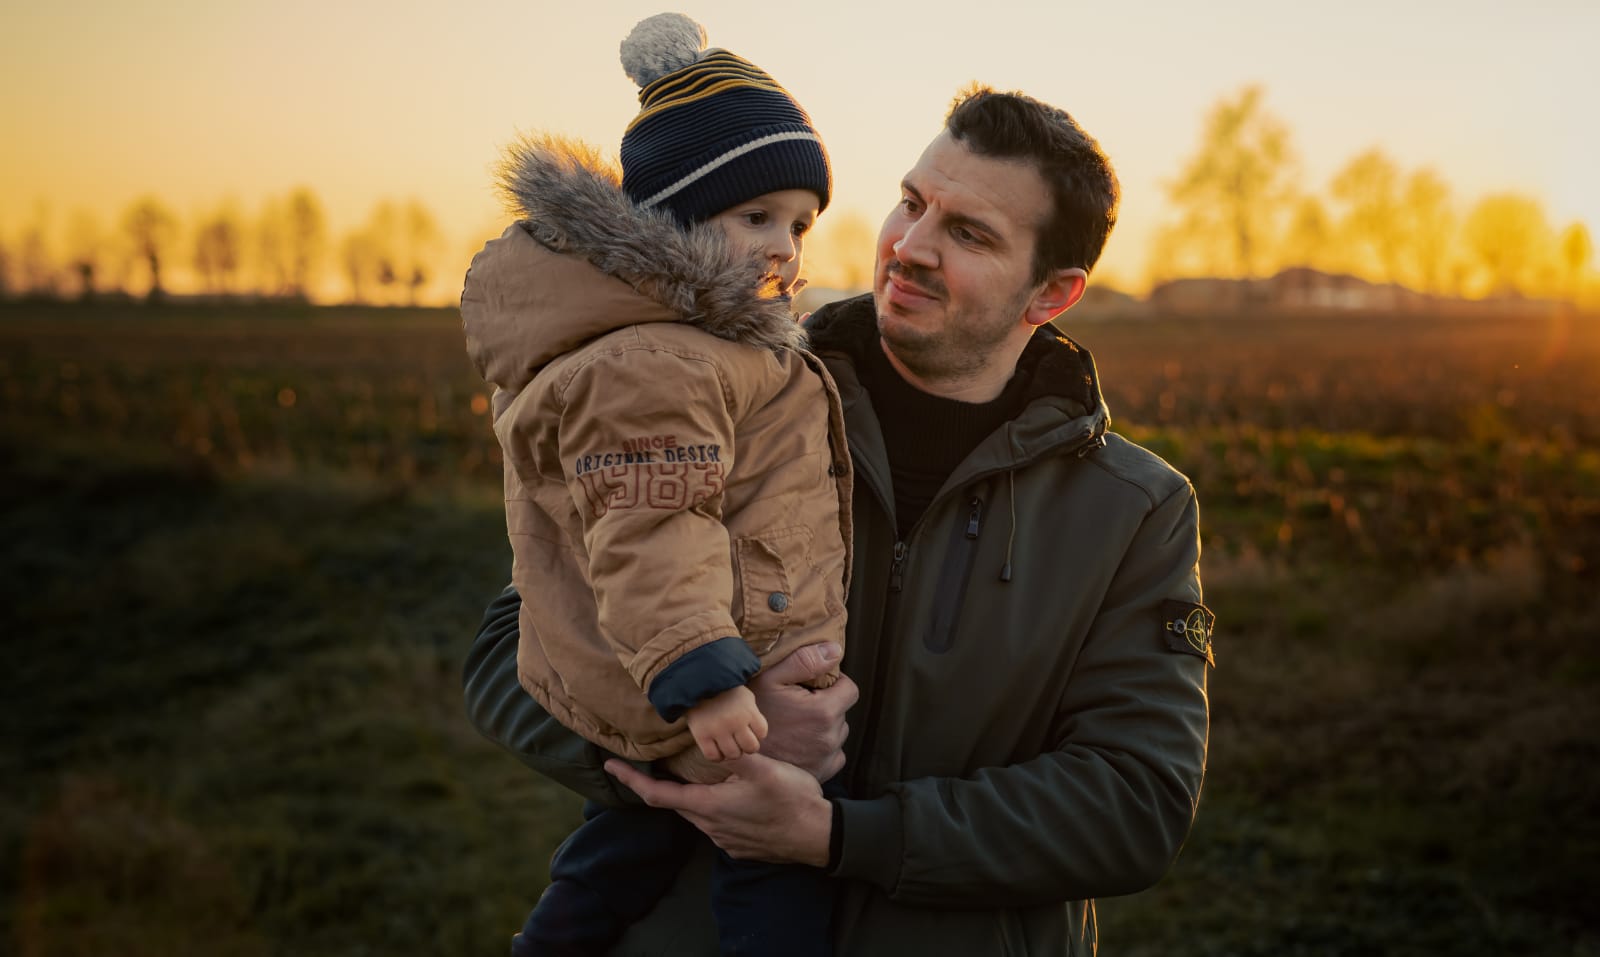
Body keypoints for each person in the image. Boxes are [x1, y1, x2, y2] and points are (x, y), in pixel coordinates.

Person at [465, 81, 1215, 956]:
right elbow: (505, 656)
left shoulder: (1135, 511)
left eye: (968, 234)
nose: (910, 247)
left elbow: (1136, 806)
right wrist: (688, 745)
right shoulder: (718, 396)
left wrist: (838, 835)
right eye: (911, 203)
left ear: (1051, 294)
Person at [459, 13, 854, 956]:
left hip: (719, 668)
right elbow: (653, 525)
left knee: (621, 850)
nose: (785, 248)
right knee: (773, 879)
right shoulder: (658, 364)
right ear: (672, 222)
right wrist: (704, 683)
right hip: (701, 682)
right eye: (755, 217)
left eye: (799, 224)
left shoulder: (709, 346)